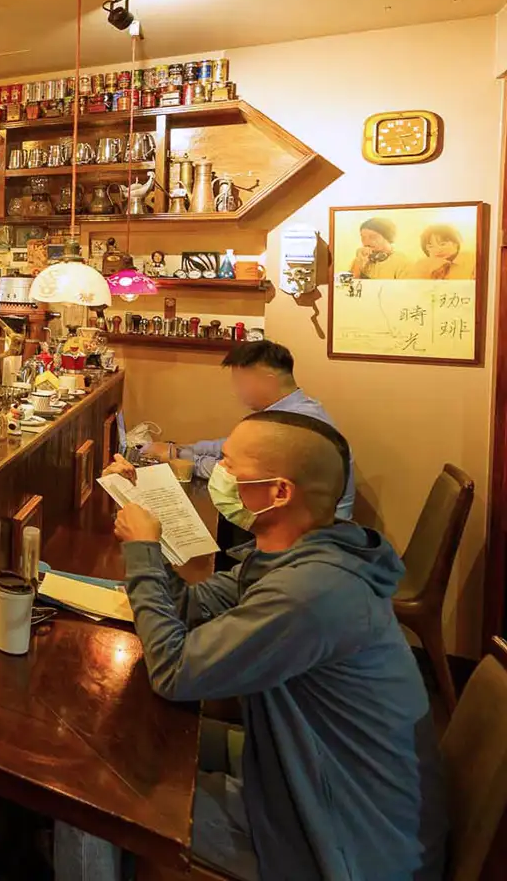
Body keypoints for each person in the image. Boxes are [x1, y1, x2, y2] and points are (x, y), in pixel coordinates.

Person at [109, 411, 446, 880]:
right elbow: (193, 605)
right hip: (292, 771)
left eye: (229, 466)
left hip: (342, 842)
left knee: (102, 788)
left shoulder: (311, 590)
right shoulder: (297, 553)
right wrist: (148, 534)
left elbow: (172, 671)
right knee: (121, 738)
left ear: (279, 492)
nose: (218, 475)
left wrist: (144, 553)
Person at [142, 339, 354, 521]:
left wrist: (178, 458)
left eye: (240, 383)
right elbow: (232, 446)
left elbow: (238, 474)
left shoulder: (296, 422)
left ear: (267, 381)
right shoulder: (288, 410)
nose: (236, 392)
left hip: (312, 533)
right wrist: (180, 449)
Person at [405, 223, 475, 280]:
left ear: (455, 244)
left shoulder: (471, 260)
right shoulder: (421, 265)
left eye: (442, 244)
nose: (438, 250)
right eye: (431, 246)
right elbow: (413, 290)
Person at [349, 215, 411, 279]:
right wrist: (357, 264)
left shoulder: (401, 261)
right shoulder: (361, 258)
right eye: (363, 237)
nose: (366, 242)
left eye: (372, 237)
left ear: (387, 237)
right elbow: (349, 286)